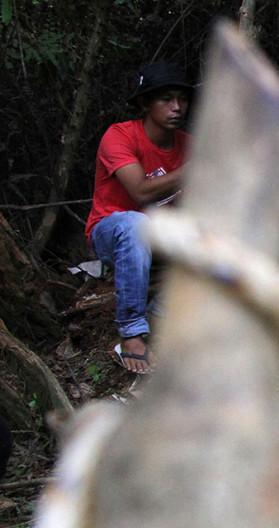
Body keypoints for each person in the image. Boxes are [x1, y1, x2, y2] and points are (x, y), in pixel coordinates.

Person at [85, 61, 193, 373]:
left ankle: (157, 318)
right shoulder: (119, 136)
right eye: (166, 99)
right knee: (136, 223)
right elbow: (142, 193)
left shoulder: (187, 145)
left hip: (161, 235)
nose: (177, 107)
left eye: (182, 99)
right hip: (113, 231)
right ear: (145, 103)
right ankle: (131, 334)